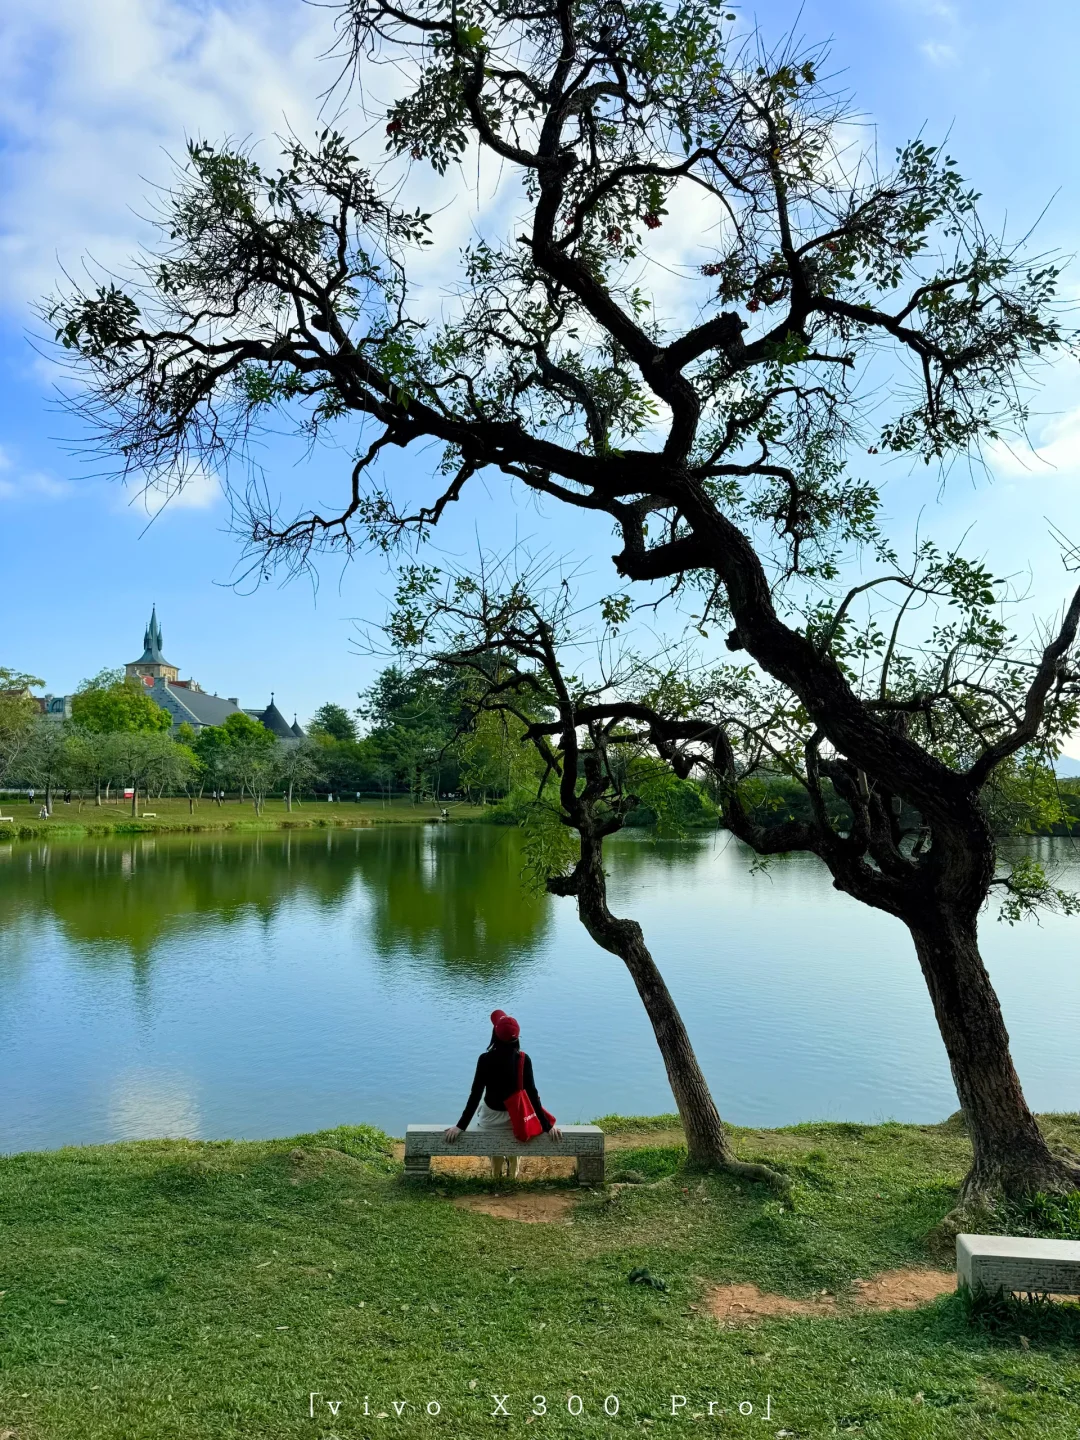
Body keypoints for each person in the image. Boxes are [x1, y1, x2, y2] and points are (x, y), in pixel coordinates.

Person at [444, 1010, 561, 1179]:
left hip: (490, 1121)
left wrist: (460, 1126)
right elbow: (533, 1096)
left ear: (495, 1035)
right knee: (516, 1126)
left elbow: (475, 1095)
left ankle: (496, 1172)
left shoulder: (485, 1059)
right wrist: (547, 1125)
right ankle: (513, 1170)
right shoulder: (523, 1059)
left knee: (485, 1111)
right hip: (515, 1120)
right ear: (517, 1038)